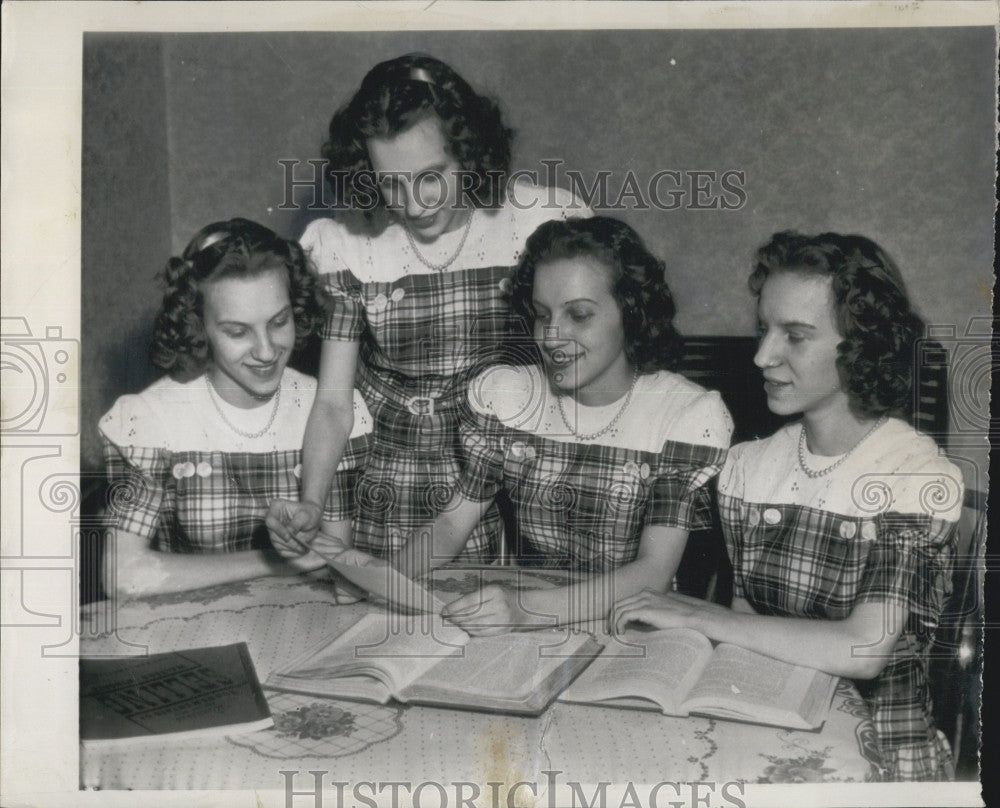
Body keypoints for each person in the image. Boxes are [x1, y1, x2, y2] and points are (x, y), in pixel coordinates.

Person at [612, 231, 963, 781]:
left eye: (795, 337)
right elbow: (748, 632)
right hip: (773, 725)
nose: (761, 355)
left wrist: (707, 616)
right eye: (762, 329)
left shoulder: (916, 475)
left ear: (862, 347)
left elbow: (864, 648)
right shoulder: (748, 467)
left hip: (883, 751)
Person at [267, 53, 588, 562]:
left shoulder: (542, 221)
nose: (414, 204)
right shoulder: (347, 245)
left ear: (470, 150)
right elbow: (333, 402)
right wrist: (312, 500)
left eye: (432, 176)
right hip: (399, 478)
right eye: (390, 183)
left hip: (514, 462)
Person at [389, 216, 732, 634]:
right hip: (524, 619)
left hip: (632, 625)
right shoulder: (510, 397)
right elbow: (451, 524)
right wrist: (386, 579)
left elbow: (653, 573)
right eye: (541, 315)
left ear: (631, 312)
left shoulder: (683, 415)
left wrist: (526, 610)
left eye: (579, 315)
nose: (552, 337)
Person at [99, 219, 372, 598]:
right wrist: (273, 561)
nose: (266, 351)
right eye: (237, 331)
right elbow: (123, 576)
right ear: (199, 326)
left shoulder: (329, 413)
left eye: (279, 322)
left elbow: (335, 566)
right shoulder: (149, 419)